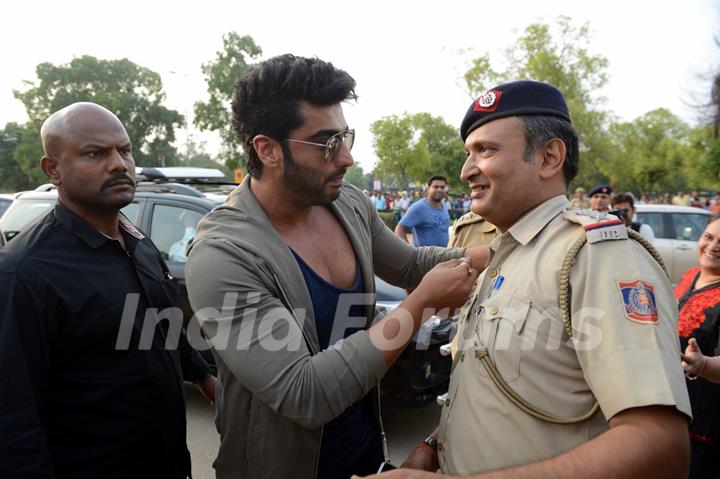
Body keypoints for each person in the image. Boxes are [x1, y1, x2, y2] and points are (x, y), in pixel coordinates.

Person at [362, 80, 691, 479]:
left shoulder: (598, 255)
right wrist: (433, 446)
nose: (466, 170)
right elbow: (505, 391)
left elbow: (659, 446)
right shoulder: (506, 253)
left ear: (549, 157)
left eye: (485, 150)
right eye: (469, 153)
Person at [184, 55, 486, 479]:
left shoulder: (346, 203)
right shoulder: (224, 254)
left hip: (363, 452)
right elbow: (304, 394)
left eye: (346, 137)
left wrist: (501, 250)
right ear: (267, 149)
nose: (345, 158)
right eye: (327, 142)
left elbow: (411, 265)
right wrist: (418, 306)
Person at [0, 102, 215, 479]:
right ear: (54, 170)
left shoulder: (138, 242)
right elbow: (13, 416)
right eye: (95, 153)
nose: (119, 164)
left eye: (125, 150)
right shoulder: (25, 273)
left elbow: (161, 326)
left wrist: (204, 377)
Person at [676, 217, 720, 478]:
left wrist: (701, 364)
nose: (713, 246)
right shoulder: (691, 275)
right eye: (708, 237)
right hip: (672, 402)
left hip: (703, 418)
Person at [394, 175, 451, 247]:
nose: (439, 190)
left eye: (442, 187)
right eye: (435, 187)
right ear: (428, 189)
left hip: (444, 256)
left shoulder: (444, 206)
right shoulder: (418, 207)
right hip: (424, 257)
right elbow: (399, 229)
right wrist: (408, 251)